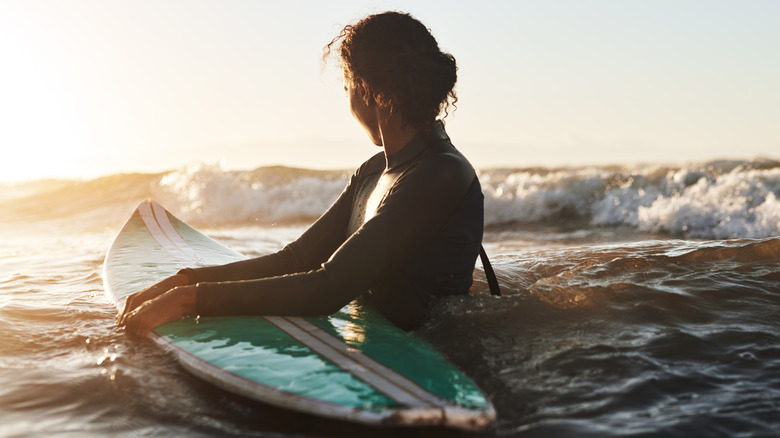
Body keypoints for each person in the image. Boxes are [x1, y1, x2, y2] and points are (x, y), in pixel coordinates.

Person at [119, 11, 485, 336]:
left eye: (347, 89)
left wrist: (189, 302)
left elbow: (329, 287)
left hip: (439, 352)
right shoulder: (374, 172)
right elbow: (294, 260)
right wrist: (186, 281)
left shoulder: (441, 173)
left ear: (367, 90)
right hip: (382, 338)